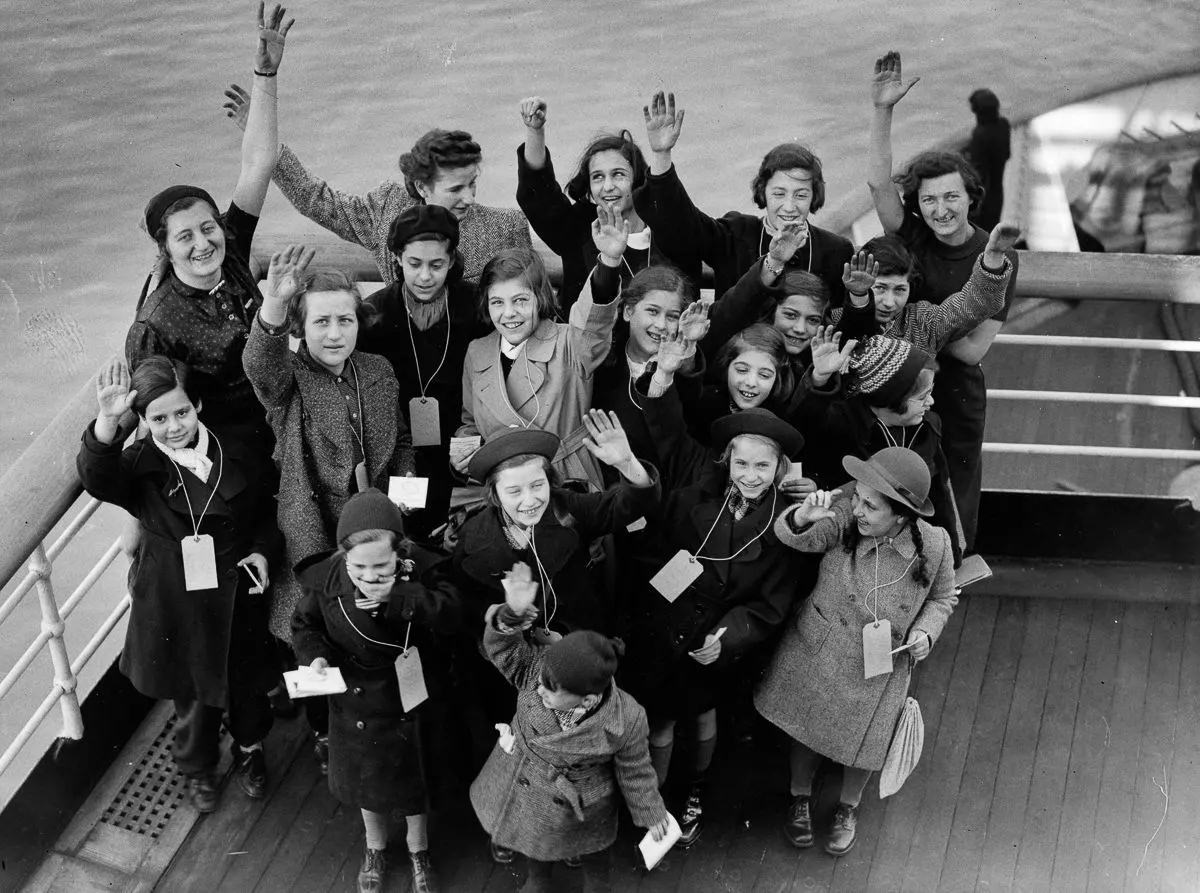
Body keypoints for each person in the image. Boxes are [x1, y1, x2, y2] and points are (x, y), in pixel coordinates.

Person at [77, 357, 279, 812]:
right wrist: (107, 422)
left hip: (236, 592)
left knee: (246, 680)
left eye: (182, 412)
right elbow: (97, 477)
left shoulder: (235, 449)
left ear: (199, 405)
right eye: (159, 419)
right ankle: (198, 766)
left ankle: (250, 748)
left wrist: (264, 551)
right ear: (144, 423)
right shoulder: (139, 466)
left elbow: (267, 513)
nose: (173, 427)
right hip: (177, 599)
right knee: (191, 694)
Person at [243, 245, 415, 768]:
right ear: (301, 327)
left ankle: (380, 721)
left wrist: (405, 491)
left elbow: (402, 441)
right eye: (321, 322)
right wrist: (275, 304)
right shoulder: (288, 380)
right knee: (318, 633)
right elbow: (259, 363)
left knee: (376, 623)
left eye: (345, 320)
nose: (335, 333)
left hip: (376, 524)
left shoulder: (378, 370)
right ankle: (324, 732)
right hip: (317, 530)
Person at [619, 405, 812, 848]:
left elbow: (770, 604)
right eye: (741, 463)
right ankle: (655, 799)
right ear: (727, 461)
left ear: (780, 469)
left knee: (703, 714)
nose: (750, 475)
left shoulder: (785, 524)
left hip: (717, 637)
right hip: (668, 626)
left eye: (762, 466)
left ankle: (695, 789)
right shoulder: (692, 499)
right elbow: (654, 551)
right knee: (661, 719)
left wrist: (727, 637)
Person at [755, 447, 957, 856]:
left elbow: (942, 597)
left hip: (881, 663)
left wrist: (926, 632)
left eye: (870, 505)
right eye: (859, 498)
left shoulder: (935, 545)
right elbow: (793, 536)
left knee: (866, 743)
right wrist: (802, 517)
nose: (858, 509)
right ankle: (799, 797)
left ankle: (848, 807)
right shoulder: (845, 518)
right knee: (807, 726)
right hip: (822, 647)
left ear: (901, 516)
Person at [867, 51, 1020, 551]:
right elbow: (878, 183)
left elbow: (972, 351)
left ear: (971, 197)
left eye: (951, 197)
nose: (940, 210)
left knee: (954, 489)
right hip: (900, 383)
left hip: (954, 391)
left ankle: (951, 569)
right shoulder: (913, 236)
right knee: (897, 477)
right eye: (929, 199)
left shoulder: (995, 255)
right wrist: (883, 110)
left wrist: (915, 328)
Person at [127, 3, 293, 441]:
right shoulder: (154, 324)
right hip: (224, 445)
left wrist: (265, 76)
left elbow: (258, 164)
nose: (202, 244)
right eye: (184, 236)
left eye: (207, 228)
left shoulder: (231, 248)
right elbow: (154, 411)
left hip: (278, 416)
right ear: (165, 249)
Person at [292, 489, 461, 893]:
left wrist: (401, 597)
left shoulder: (427, 573)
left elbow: (453, 616)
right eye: (359, 568)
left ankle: (418, 848)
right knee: (369, 783)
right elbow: (304, 625)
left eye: (382, 567)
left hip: (415, 694)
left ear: (401, 554)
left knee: (417, 779)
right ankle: (375, 846)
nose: (370, 577)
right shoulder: (326, 584)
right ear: (343, 558)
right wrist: (315, 657)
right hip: (358, 699)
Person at [221, 87, 531, 283]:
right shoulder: (387, 209)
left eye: (472, 184)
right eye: (455, 189)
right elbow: (315, 199)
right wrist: (262, 137)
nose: (469, 198)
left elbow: (531, 302)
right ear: (422, 187)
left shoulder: (505, 228)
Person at [470, 594, 670, 892]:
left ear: (588, 700)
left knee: (595, 859)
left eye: (551, 690)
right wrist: (508, 615)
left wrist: (651, 811)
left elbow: (635, 770)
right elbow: (503, 648)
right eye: (541, 681)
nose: (539, 689)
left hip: (587, 804)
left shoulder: (626, 718)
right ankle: (537, 882)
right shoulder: (538, 667)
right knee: (535, 841)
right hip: (533, 787)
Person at [634, 91, 853, 300]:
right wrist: (662, 155)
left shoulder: (835, 250)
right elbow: (684, 223)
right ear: (763, 191)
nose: (789, 206)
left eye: (801, 195)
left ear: (814, 195)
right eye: (779, 194)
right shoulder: (736, 234)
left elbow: (840, 318)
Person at [356, 205, 491, 542]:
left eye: (437, 265)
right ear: (398, 258)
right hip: (402, 451)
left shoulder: (475, 306)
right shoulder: (374, 315)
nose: (425, 276)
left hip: (462, 443)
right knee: (411, 534)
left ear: (452, 260)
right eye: (415, 264)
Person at [454, 228, 623, 491]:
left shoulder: (569, 342)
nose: (509, 313)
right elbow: (471, 422)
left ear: (540, 298)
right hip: (505, 486)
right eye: (497, 302)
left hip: (566, 480)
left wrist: (609, 263)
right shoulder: (477, 351)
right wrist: (463, 452)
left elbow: (593, 322)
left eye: (520, 300)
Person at [516, 96, 700, 311]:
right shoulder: (578, 228)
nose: (608, 186)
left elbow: (673, 206)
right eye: (598, 177)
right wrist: (535, 131)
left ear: (637, 178)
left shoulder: (667, 233)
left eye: (618, 174)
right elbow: (538, 192)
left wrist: (662, 154)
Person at [796, 332, 961, 563]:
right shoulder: (843, 423)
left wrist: (951, 555)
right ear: (893, 397)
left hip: (906, 549)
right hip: (851, 546)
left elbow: (938, 493)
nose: (931, 402)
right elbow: (804, 425)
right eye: (923, 396)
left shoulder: (930, 426)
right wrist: (819, 379)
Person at [832, 224, 1019, 357]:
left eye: (899, 290)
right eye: (880, 288)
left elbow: (972, 305)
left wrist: (993, 257)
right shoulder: (833, 322)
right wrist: (858, 300)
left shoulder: (921, 322)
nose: (889, 302)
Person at [965, 88, 1011, 231]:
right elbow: (1007, 154)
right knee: (990, 229)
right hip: (997, 192)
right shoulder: (1004, 125)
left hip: (983, 196)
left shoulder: (980, 134)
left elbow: (977, 169)